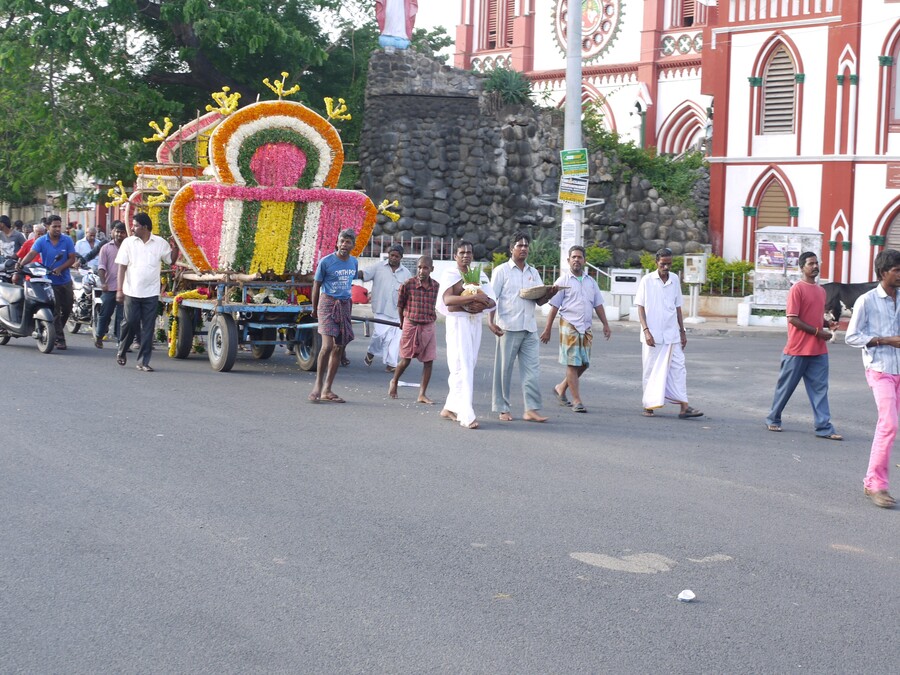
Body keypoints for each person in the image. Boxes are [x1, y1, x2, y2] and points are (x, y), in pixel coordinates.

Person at [845, 249, 900, 509]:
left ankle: (874, 481)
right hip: (880, 369)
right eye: (897, 270)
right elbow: (852, 336)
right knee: (888, 424)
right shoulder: (866, 301)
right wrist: (885, 340)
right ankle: (875, 483)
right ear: (882, 273)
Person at [765, 252, 842, 439]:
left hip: (818, 350)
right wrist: (818, 332)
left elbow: (813, 316)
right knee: (786, 388)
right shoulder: (797, 289)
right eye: (810, 264)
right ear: (802, 267)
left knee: (820, 390)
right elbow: (793, 318)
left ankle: (824, 427)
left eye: (817, 263)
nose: (815, 266)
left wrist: (827, 324)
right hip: (797, 349)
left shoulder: (821, 291)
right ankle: (773, 418)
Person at [489, 232, 558, 422]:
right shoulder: (501, 271)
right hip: (508, 327)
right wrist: (491, 322)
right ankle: (503, 408)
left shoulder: (533, 272)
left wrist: (550, 294)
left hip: (529, 328)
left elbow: (539, 300)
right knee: (504, 371)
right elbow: (492, 299)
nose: (524, 248)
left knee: (532, 371)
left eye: (526, 246)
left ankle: (531, 409)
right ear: (511, 249)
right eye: (520, 245)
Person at [539, 245, 610, 414]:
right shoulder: (562, 281)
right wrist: (547, 329)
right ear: (568, 260)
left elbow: (598, 304)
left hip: (585, 327)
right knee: (573, 363)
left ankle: (560, 388)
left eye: (579, 257)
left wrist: (606, 324)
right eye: (574, 257)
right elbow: (554, 306)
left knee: (584, 363)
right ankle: (577, 400)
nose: (576, 260)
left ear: (584, 260)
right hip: (569, 325)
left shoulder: (591, 282)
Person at [635, 247, 703, 419]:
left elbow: (677, 307)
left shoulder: (674, 279)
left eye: (669, 264)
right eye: (663, 264)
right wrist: (646, 331)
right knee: (651, 370)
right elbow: (640, 307)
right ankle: (649, 405)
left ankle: (684, 407)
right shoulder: (647, 280)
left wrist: (682, 331)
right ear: (656, 262)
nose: (666, 267)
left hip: (672, 334)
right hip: (653, 335)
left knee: (679, 369)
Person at [438, 240, 496, 429]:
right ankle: (466, 414)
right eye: (462, 252)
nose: (466, 255)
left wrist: (482, 302)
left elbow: (493, 301)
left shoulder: (480, 276)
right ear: (455, 256)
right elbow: (447, 300)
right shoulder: (451, 274)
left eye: (469, 252)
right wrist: (471, 298)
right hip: (458, 323)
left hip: (474, 323)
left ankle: (450, 407)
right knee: (462, 366)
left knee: (466, 364)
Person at [115, 212, 176, 372]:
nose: (133, 228)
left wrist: (175, 246)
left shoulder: (160, 243)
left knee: (148, 328)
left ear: (145, 227)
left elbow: (171, 260)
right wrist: (119, 290)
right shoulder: (128, 243)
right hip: (131, 291)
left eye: (135, 225)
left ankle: (143, 361)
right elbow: (121, 267)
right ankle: (122, 350)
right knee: (130, 322)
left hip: (150, 292)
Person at [309, 229, 359, 403]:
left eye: (348, 242)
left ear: (353, 245)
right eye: (342, 241)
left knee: (339, 346)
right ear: (337, 242)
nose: (344, 245)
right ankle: (317, 385)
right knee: (327, 346)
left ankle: (327, 390)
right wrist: (314, 308)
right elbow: (316, 284)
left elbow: (349, 285)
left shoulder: (354, 262)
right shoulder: (326, 262)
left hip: (344, 305)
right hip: (327, 304)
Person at [17, 215, 76, 350]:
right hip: (48, 282)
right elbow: (31, 254)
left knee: (66, 309)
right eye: (54, 226)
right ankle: (59, 339)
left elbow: (72, 259)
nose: (57, 229)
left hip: (65, 281)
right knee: (54, 310)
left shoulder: (67, 240)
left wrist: (61, 268)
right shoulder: (42, 241)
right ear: (48, 227)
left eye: (59, 226)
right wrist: (21, 264)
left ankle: (55, 332)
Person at [389, 255, 440, 404]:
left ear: (431, 269)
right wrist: (402, 322)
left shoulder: (436, 286)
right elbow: (400, 306)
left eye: (425, 267)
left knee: (429, 361)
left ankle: (422, 394)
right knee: (406, 359)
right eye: (419, 267)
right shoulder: (408, 284)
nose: (422, 270)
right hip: (411, 324)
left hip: (429, 325)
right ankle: (394, 381)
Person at [360, 244, 411, 372]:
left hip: (398, 310)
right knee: (379, 334)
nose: (393, 258)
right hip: (381, 308)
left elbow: (410, 292)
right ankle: (371, 352)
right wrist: (349, 272)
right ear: (388, 255)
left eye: (396, 256)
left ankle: (391, 364)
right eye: (391, 255)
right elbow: (364, 274)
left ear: (401, 258)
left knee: (394, 338)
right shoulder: (378, 267)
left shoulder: (406, 273)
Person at [94, 221, 128, 349]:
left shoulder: (129, 248)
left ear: (126, 234)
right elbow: (101, 267)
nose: (120, 234)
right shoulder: (106, 248)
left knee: (122, 317)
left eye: (122, 232)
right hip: (109, 287)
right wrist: (103, 283)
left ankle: (120, 342)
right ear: (114, 232)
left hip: (125, 288)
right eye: (118, 232)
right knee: (105, 314)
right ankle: (99, 336)